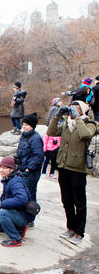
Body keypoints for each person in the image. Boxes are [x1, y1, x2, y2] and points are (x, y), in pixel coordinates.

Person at [47, 100, 98, 245]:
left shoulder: (90, 124)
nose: (73, 111)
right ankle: (70, 227)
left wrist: (77, 119)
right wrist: (57, 116)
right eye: (71, 109)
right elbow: (51, 132)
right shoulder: (65, 124)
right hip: (63, 166)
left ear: (83, 111)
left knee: (79, 202)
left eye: (76, 109)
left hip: (77, 168)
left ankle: (79, 232)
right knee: (66, 200)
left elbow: (86, 135)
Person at [0, 156, 34, 247]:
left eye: (4, 168)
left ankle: (16, 238)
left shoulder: (15, 181)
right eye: (0, 167)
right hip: (15, 211)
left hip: (23, 215)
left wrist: (1, 204)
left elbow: (22, 199)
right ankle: (18, 229)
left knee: (1, 213)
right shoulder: (9, 178)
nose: (1, 170)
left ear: (11, 169)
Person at [15, 113, 44, 204]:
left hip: (30, 172)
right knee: (20, 193)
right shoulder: (24, 135)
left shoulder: (35, 138)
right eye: (23, 124)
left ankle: (31, 213)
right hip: (21, 168)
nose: (24, 127)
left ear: (32, 126)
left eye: (26, 125)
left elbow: (39, 156)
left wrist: (29, 168)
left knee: (29, 194)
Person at [43, 98, 62, 179]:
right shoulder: (56, 109)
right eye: (60, 101)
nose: (61, 102)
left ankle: (52, 172)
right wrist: (44, 148)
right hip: (49, 148)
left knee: (54, 161)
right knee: (47, 160)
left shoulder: (53, 108)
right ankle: (43, 172)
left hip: (55, 148)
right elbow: (54, 117)